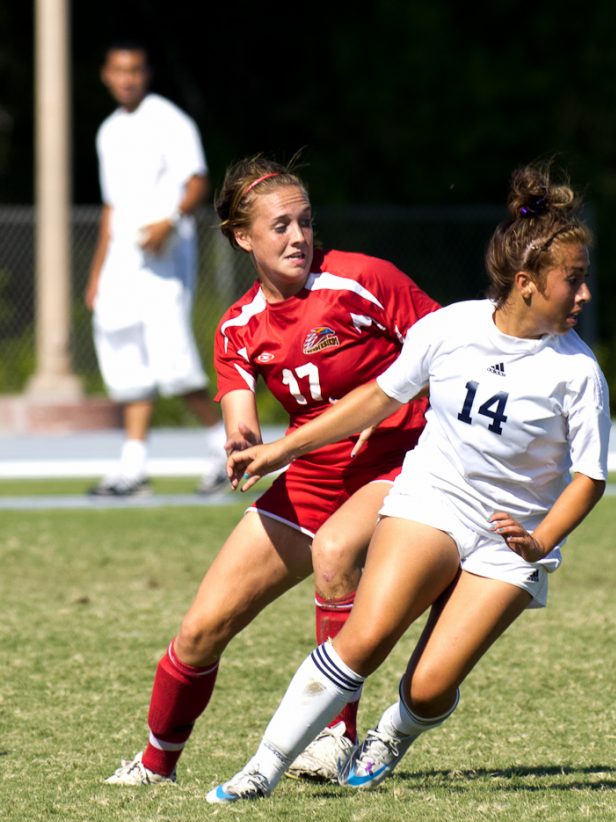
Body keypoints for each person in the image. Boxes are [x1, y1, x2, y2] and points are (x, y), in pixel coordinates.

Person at [204, 162, 612, 803]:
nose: (585, 296)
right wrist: (281, 448)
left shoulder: (579, 375)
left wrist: (539, 540)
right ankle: (263, 766)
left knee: (428, 687)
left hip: (513, 539)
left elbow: (589, 478)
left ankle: (393, 732)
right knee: (363, 638)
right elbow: (371, 400)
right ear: (527, 283)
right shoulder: (449, 328)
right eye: (575, 281)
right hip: (435, 499)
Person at [104, 154, 440, 786]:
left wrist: (408, 400)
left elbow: (451, 346)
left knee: (336, 555)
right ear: (242, 237)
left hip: (400, 465)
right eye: (280, 226)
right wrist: (242, 445)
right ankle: (156, 765)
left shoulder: (364, 280)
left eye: (306, 222)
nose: (298, 237)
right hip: (312, 480)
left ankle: (336, 738)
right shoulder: (237, 326)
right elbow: (241, 416)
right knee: (201, 629)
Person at [85, 40, 227, 497]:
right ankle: (133, 468)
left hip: (164, 259)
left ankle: (227, 449)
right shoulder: (108, 131)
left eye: (135, 70)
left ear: (145, 74)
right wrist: (96, 274)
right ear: (107, 75)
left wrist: (170, 220)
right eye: (118, 71)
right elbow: (112, 207)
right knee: (127, 363)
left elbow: (198, 181)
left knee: (174, 365)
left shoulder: (169, 120)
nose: (127, 79)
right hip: (121, 262)